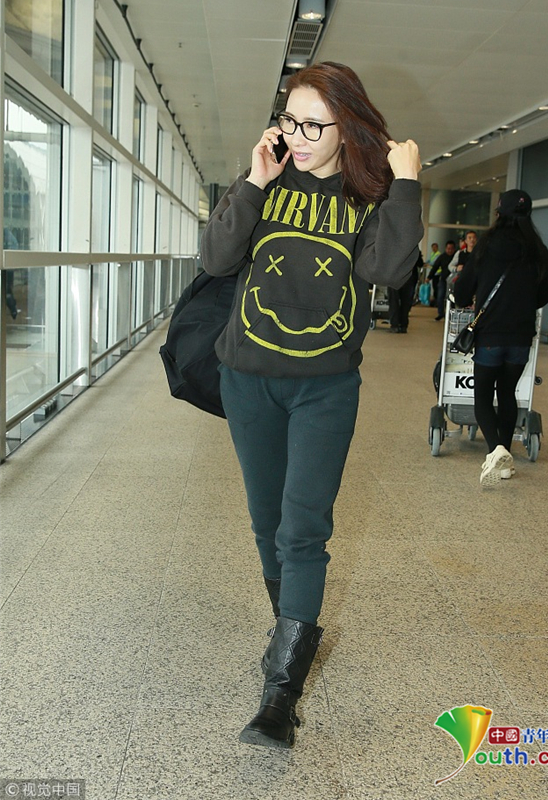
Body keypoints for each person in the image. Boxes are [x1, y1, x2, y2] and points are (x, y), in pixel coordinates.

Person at [201, 61, 423, 749]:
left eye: (313, 125)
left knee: (303, 530)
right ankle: (286, 633)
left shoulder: (369, 197)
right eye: (289, 120)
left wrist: (407, 184)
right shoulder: (265, 181)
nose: (296, 137)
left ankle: (281, 695)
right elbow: (215, 258)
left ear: (347, 128)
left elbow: (388, 271)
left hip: (324, 386)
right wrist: (253, 181)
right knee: (267, 522)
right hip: (248, 380)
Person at [454, 190, 548, 487]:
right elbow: (544, 294)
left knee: (483, 396)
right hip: (521, 336)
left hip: (490, 335)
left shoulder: (487, 244)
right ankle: (505, 460)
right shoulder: (537, 249)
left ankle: (495, 450)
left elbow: (462, 291)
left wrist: (472, 297)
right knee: (507, 392)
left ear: (499, 213)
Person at [388, 250, 423, 332]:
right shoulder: (414, 248)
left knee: (394, 301)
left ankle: (394, 325)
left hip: (394, 276)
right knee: (406, 302)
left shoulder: (392, 247)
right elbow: (420, 263)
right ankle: (403, 325)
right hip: (409, 277)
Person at [428, 240, 455, 320]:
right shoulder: (442, 257)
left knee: (452, 298)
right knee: (440, 296)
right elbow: (435, 267)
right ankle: (441, 313)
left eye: (451, 249)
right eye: (448, 249)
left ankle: (451, 314)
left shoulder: (456, 257)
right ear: (445, 248)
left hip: (453, 281)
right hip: (443, 279)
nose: (450, 250)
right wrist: (429, 277)